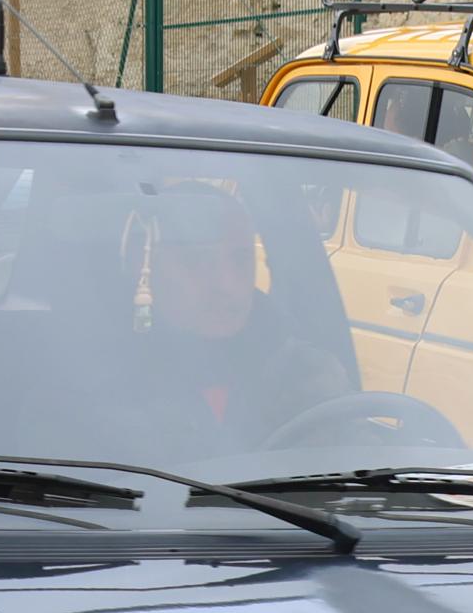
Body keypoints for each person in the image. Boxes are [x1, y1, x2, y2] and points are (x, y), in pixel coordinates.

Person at [141, 187, 351, 446]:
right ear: (150, 268)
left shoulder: (309, 375)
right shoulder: (103, 375)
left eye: (240, 259)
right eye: (198, 260)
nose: (226, 284)